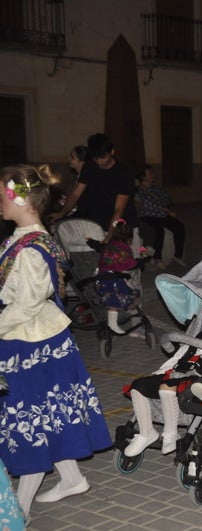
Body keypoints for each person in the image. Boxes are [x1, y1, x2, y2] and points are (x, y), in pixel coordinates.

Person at [0, 164, 111, 521]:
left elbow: (28, 303)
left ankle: (19, 510)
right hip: (35, 339)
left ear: (18, 197)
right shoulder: (23, 237)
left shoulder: (30, 247)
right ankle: (72, 478)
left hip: (31, 343)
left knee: (30, 423)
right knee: (49, 417)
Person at [123, 315, 202, 457]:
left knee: (167, 386)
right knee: (138, 385)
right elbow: (177, 357)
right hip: (177, 372)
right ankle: (146, 433)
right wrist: (158, 373)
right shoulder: (200, 335)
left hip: (200, 379)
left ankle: (171, 433)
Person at [50, 133, 140, 246]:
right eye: (96, 158)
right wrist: (62, 213)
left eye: (104, 157)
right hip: (98, 224)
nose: (100, 162)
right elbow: (75, 195)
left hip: (122, 228)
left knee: (130, 262)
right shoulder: (89, 167)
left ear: (112, 152)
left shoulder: (124, 173)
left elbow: (119, 209)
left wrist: (110, 235)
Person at [92, 218, 141, 335]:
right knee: (115, 297)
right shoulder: (123, 250)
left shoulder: (108, 246)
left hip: (101, 279)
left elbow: (99, 248)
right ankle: (113, 325)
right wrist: (140, 262)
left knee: (127, 295)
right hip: (112, 280)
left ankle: (135, 318)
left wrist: (91, 241)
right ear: (129, 239)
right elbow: (129, 264)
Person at [135, 165, 186, 268]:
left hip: (161, 214)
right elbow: (147, 205)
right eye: (149, 173)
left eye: (152, 172)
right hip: (147, 216)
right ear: (143, 177)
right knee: (158, 230)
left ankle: (178, 255)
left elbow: (166, 198)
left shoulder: (155, 188)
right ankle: (157, 258)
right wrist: (164, 209)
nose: (152, 175)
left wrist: (163, 209)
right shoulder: (139, 190)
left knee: (180, 227)